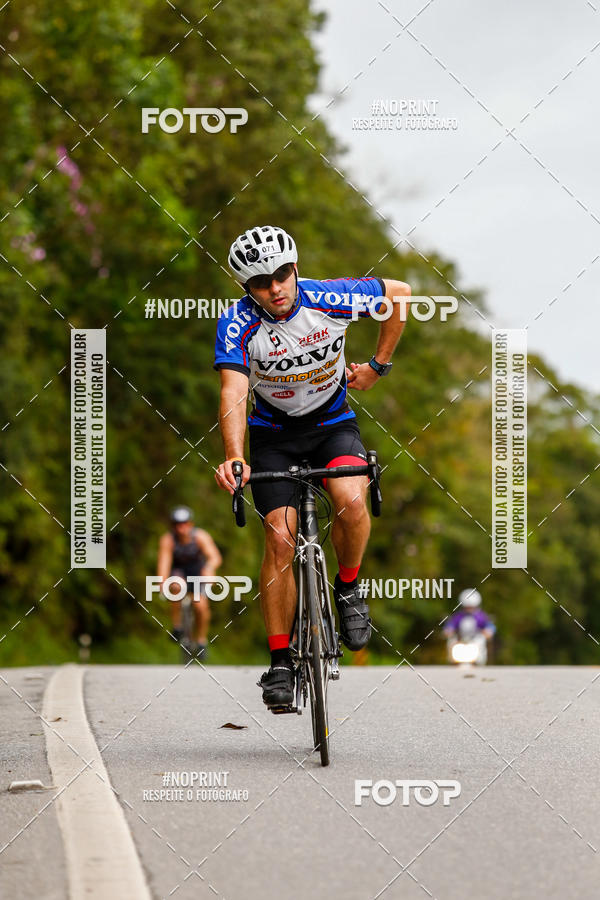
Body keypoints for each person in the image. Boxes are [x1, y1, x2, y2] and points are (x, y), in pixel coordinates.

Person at [214, 225, 410, 708]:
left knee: (350, 500)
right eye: (261, 282)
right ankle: (280, 663)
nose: (275, 288)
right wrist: (235, 455)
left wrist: (377, 365)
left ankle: (347, 589)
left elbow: (399, 295)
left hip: (332, 426)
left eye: (282, 274)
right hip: (273, 437)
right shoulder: (237, 323)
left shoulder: (330, 297)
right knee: (279, 537)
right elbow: (234, 392)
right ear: (246, 288)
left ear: (295, 268)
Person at [156, 506, 222, 659]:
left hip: (198, 572)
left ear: (190, 524)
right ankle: (177, 626)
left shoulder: (200, 536)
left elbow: (215, 557)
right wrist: (162, 582)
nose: (181, 528)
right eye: (177, 524)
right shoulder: (168, 540)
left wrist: (209, 568)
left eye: (184, 523)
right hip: (179, 573)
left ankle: (201, 640)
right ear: (173, 526)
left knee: (200, 606)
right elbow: (164, 563)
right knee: (175, 586)